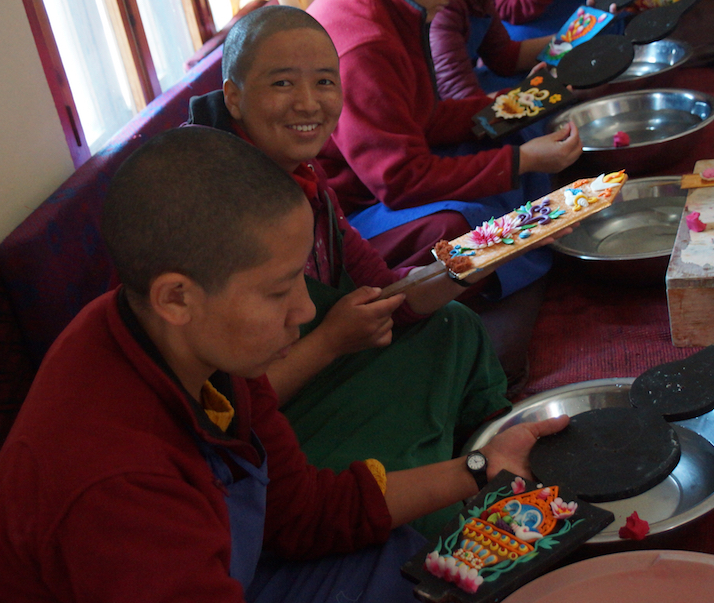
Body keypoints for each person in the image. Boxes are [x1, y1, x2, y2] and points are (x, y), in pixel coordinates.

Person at [0, 126, 569, 602]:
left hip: (236, 561)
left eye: (302, 275)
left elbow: (299, 510)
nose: (304, 310)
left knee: (420, 564)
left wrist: (478, 468)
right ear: (176, 297)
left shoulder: (194, 342)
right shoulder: (114, 485)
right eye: (277, 293)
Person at [187, 5, 573, 535]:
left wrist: (512, 238)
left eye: (324, 82)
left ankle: (482, 442)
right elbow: (225, 412)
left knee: (453, 325)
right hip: (262, 423)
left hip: (326, 355)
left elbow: (391, 293)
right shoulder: (213, 209)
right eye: (282, 83)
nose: (308, 102)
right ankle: (444, 494)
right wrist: (328, 342)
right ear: (233, 95)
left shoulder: (301, 177)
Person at [308, 0, 583, 300]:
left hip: (383, 174)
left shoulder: (406, 13)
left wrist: (524, 101)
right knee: (463, 232)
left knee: (505, 133)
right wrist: (523, 160)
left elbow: (424, 117)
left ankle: (525, 234)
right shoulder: (366, 46)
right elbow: (400, 180)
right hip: (348, 209)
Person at [430, 0, 554, 99]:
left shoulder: (478, 3)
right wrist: (536, 95)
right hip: (444, 111)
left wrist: (569, 42)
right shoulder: (441, 10)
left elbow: (504, 56)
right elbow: (464, 100)